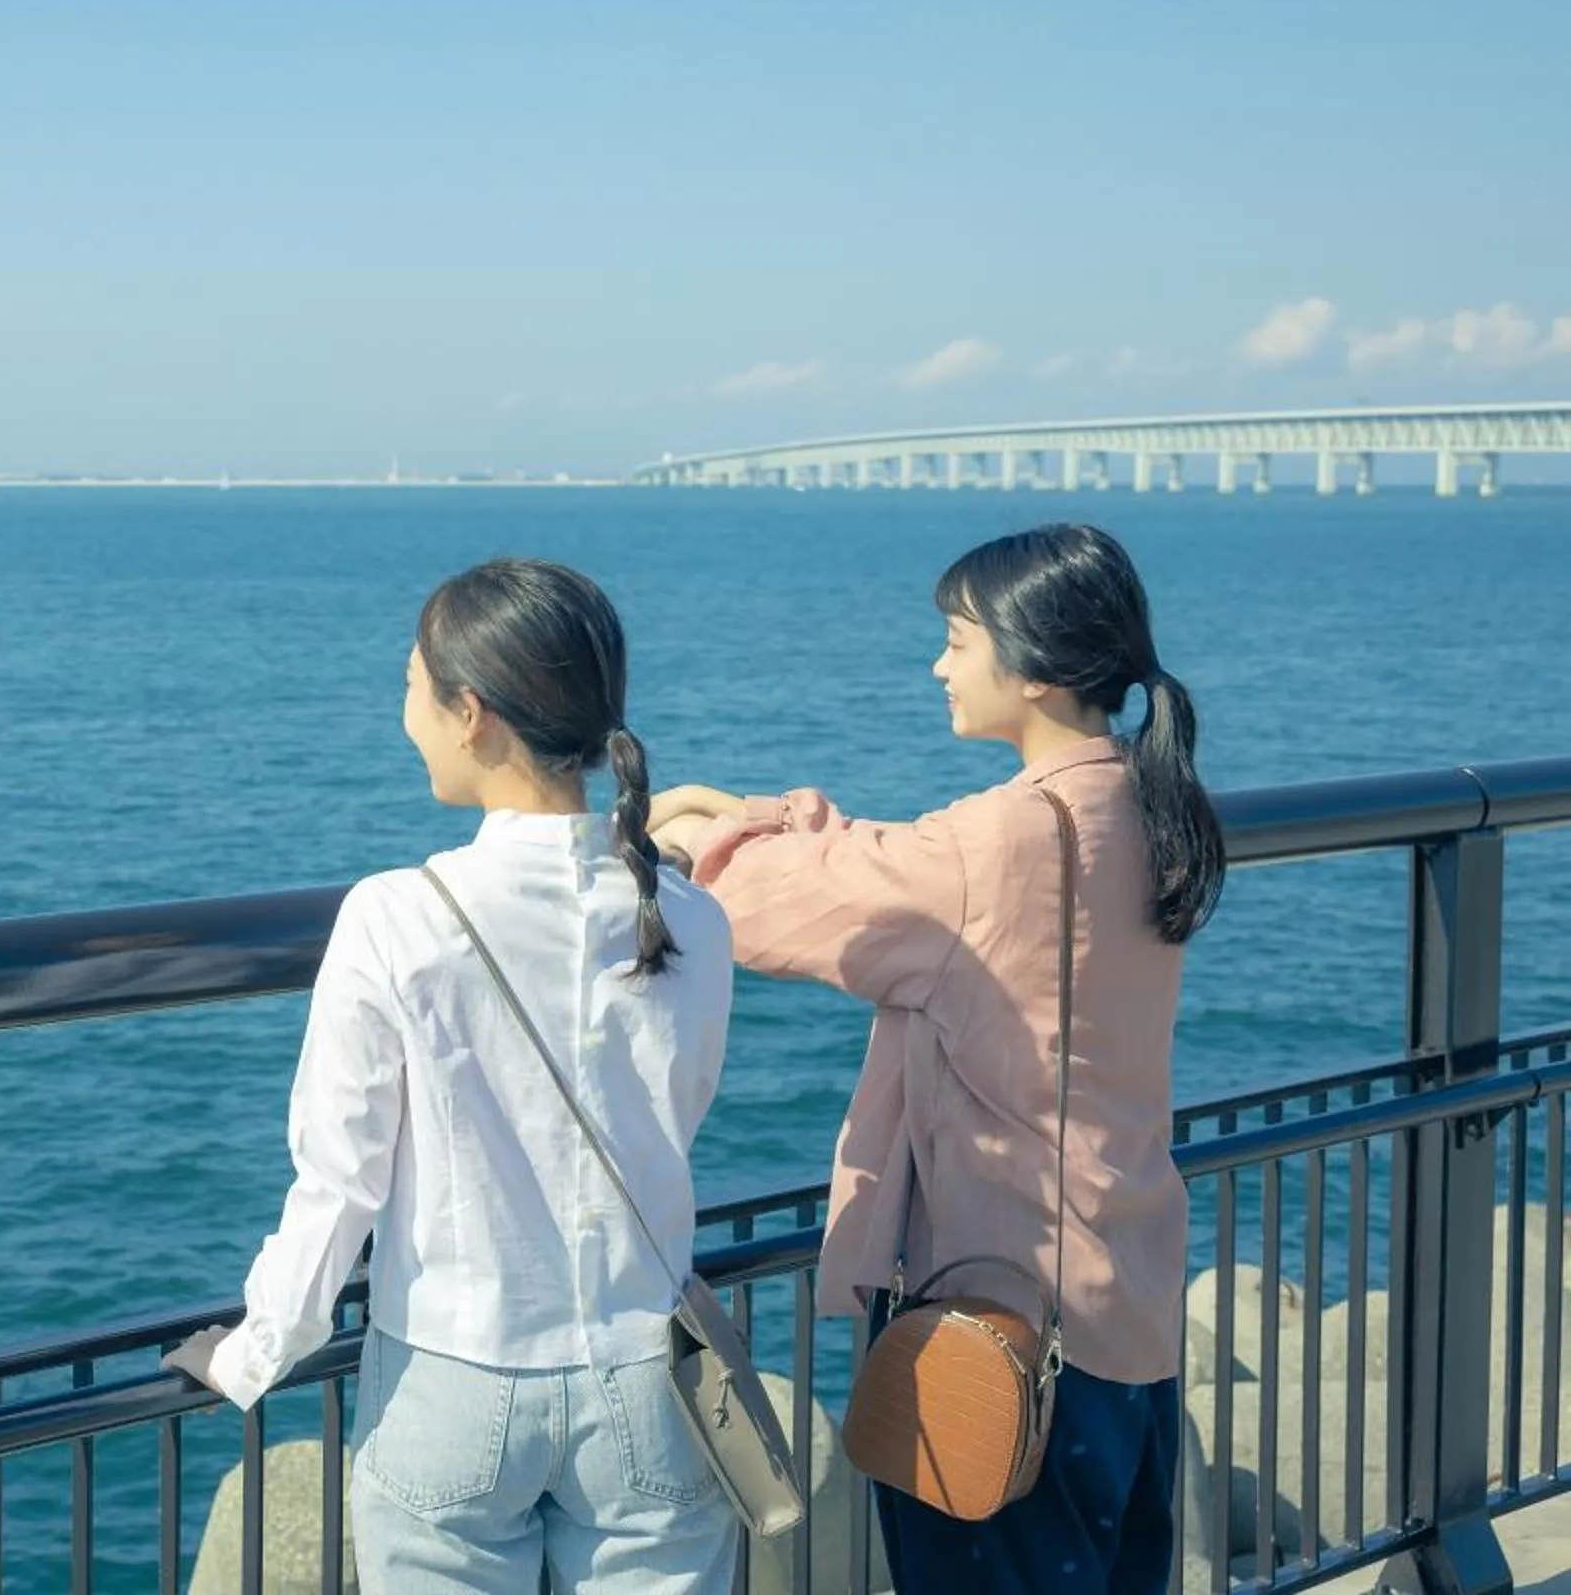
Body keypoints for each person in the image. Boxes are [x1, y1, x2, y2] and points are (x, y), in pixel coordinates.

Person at [650, 522, 1222, 1595]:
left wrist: (699, 825)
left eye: (959, 640)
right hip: (1125, 1299)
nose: (939, 664)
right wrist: (772, 816)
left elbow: (783, 902)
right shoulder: (1145, 805)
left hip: (1004, 1316)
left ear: (1038, 666)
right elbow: (894, 864)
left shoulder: (1004, 839)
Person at [166, 557, 741, 1593]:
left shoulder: (396, 916)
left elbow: (340, 1181)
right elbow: (675, 1105)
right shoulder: (690, 916)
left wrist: (255, 1350)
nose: (406, 717)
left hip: (453, 1376)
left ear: (470, 712)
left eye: (411, 689)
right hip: (646, 1369)